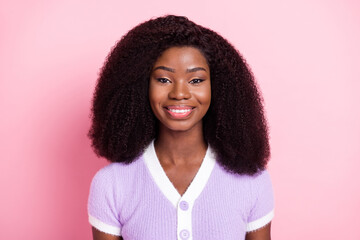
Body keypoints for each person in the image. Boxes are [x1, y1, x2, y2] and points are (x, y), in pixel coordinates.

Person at [87, 15, 274, 240]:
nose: (179, 93)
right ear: (141, 86)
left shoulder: (252, 181)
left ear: (220, 88)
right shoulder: (112, 184)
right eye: (164, 79)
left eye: (196, 80)